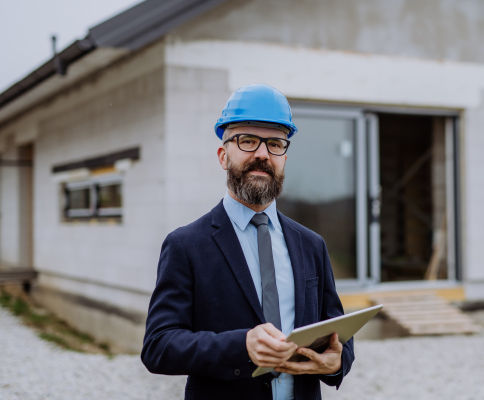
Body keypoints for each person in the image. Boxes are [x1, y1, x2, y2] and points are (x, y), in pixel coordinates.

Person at [141, 83, 354, 400]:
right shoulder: (186, 245)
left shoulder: (312, 245)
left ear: (284, 156)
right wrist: (241, 346)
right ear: (223, 155)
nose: (262, 154)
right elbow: (159, 346)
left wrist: (337, 362)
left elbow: (338, 335)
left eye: (275, 144)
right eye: (248, 141)